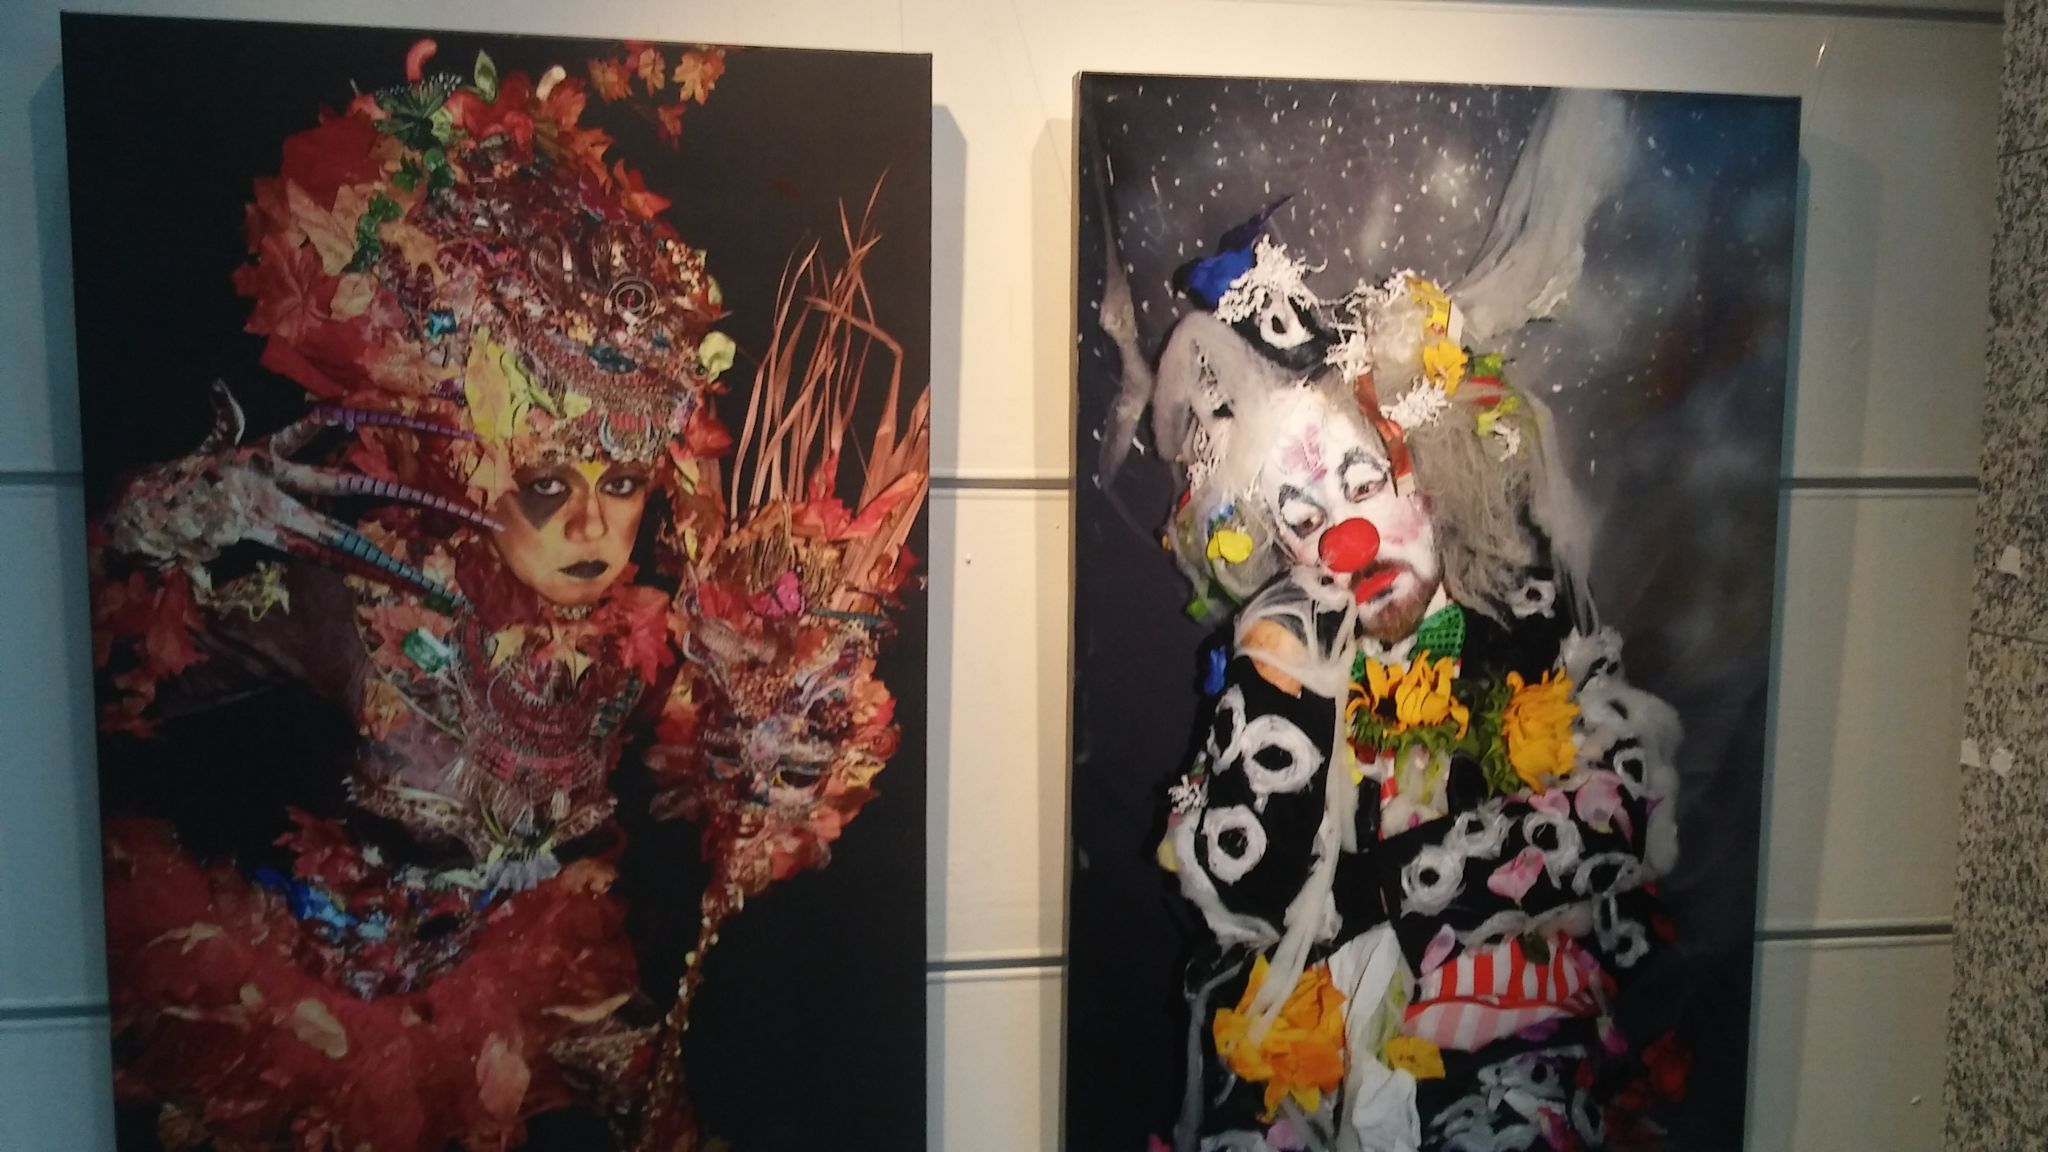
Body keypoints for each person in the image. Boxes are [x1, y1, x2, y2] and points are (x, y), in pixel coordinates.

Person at [86, 39, 925, 1151]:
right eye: (546, 484)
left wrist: (792, 738)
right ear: (480, 472)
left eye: (620, 484)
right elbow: (118, 680)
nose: (591, 529)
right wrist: (167, 526)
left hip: (514, 981)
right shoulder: (374, 609)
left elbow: (731, 776)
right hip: (311, 1012)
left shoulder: (635, 643)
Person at [1141, 237, 1689, 1152]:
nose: (1346, 539)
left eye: (1365, 484)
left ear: (1433, 477)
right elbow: (1226, 888)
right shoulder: (1283, 662)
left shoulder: (1530, 622)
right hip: (1315, 1087)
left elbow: (1620, 813)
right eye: (1305, 518)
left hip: (1505, 1059)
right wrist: (1279, 684)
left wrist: (1378, 888)